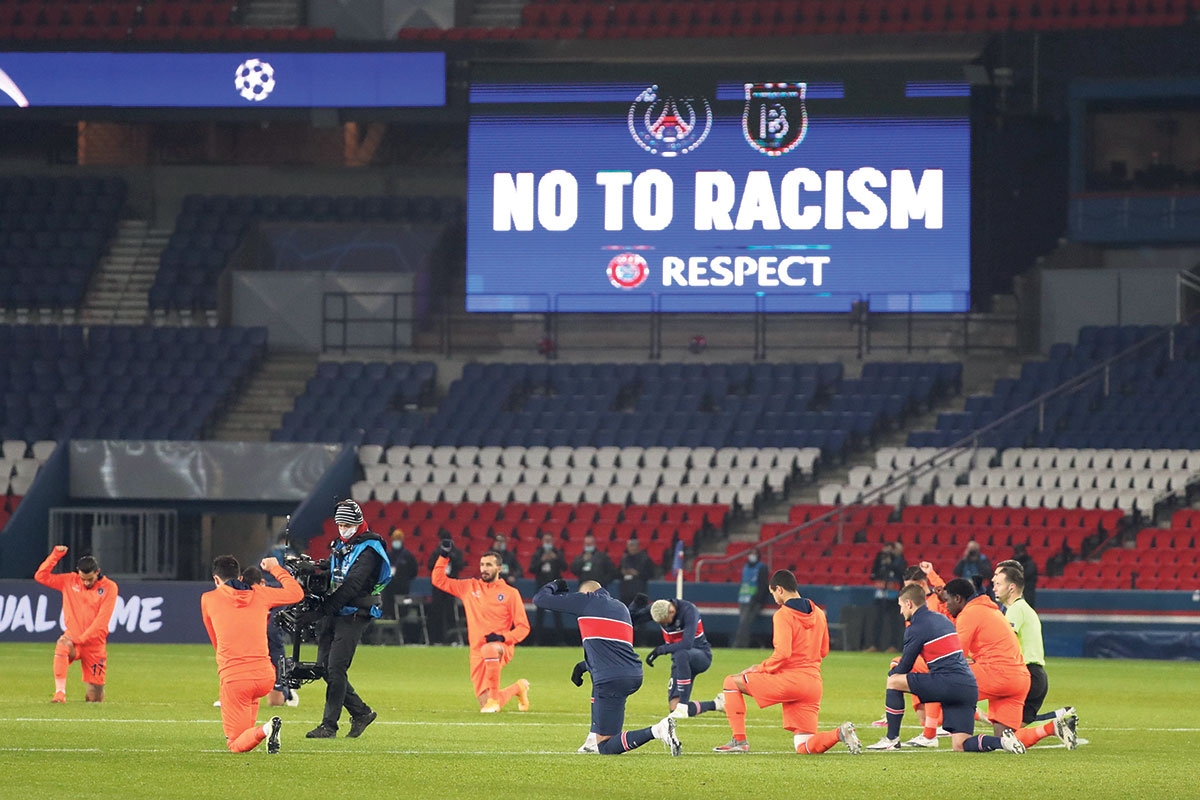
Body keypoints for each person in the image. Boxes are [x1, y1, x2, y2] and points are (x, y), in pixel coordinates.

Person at [712, 569, 861, 756]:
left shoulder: (783, 615)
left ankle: (739, 740)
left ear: (780, 589)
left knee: (731, 682)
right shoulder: (819, 614)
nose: (774, 598)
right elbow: (824, 651)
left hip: (790, 682)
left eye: (773, 593)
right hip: (813, 685)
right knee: (804, 746)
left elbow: (783, 653)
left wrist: (759, 668)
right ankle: (839, 733)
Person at [531, 578, 682, 757]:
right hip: (632, 674)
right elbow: (612, 647)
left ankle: (658, 730)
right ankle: (591, 741)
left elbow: (539, 599)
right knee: (609, 728)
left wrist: (555, 584)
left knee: (607, 747)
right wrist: (584, 666)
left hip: (611, 678)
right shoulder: (620, 607)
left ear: (586, 592)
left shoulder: (587, 600)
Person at [866, 584, 1024, 754]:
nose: (900, 611)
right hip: (968, 686)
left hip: (948, 683)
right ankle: (1003, 742)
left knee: (894, 681)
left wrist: (893, 671)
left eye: (901, 606)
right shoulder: (943, 619)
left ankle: (891, 739)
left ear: (909, 604)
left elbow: (905, 666)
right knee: (960, 744)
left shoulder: (916, 628)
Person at [941, 577, 1072, 752]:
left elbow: (955, 655)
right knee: (1003, 738)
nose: (945, 605)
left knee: (947, 686)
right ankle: (1050, 727)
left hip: (997, 672)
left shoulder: (975, 613)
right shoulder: (991, 610)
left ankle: (929, 734)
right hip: (1020, 678)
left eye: (947, 600)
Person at [305, 499, 391, 740]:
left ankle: (329, 726)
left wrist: (325, 608)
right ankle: (361, 712)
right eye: (339, 524)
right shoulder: (341, 545)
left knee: (335, 668)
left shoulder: (369, 548)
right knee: (324, 668)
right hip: (336, 610)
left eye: (347, 524)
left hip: (354, 612)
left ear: (358, 523)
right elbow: (337, 572)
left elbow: (354, 583)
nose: (343, 528)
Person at [201, 555, 303, 753]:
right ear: (239, 577)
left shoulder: (208, 599)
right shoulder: (260, 594)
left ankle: (267, 728)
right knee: (246, 732)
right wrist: (275, 568)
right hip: (264, 677)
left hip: (236, 679)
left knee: (235, 744)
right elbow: (296, 594)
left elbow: (215, 639)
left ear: (215, 580)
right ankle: (260, 732)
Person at [431, 539, 531, 712]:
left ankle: (494, 698)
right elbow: (439, 580)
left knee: (490, 650)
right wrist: (444, 556)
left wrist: (503, 637)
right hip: (476, 651)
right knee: (485, 707)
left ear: (499, 568)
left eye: (489, 565)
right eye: (482, 564)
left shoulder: (510, 593)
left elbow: (524, 627)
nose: (484, 568)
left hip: (501, 647)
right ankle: (518, 688)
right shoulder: (469, 587)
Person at [993, 562, 1078, 749]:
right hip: (1037, 675)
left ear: (1011, 587)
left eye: (998, 583)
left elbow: (1005, 643)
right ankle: (1059, 720)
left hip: (1025, 676)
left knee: (1003, 735)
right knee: (1013, 734)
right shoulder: (1024, 608)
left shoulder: (1016, 610)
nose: (994, 588)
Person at [34, 546, 119, 703]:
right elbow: (41, 576)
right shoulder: (69, 581)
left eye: (90, 579)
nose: (86, 582)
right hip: (73, 638)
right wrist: (55, 555)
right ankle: (60, 693)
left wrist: (81, 639)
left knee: (95, 696)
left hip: (94, 644)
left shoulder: (109, 588)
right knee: (62, 643)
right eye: (83, 579)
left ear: (97, 572)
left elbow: (101, 621)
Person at [629, 595, 715, 719]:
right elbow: (631, 621)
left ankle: (683, 705)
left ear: (672, 611)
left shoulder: (688, 610)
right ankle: (717, 704)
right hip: (680, 662)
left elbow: (687, 644)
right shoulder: (658, 608)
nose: (665, 625)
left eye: (664, 622)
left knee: (681, 653)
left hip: (700, 655)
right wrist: (635, 606)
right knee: (674, 709)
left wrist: (660, 650)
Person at [239, 566, 299, 709]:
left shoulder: (274, 595)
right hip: (251, 649)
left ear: (263, 583)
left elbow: (273, 630)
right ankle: (231, 693)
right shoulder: (242, 595)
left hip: (272, 648)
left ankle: (287, 689)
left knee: (275, 702)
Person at [528, 532, 569, 645]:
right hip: (542, 588)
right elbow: (532, 569)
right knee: (539, 615)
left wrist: (556, 559)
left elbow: (565, 567)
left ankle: (560, 641)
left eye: (549, 541)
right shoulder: (538, 554)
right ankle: (537, 641)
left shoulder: (557, 552)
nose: (547, 543)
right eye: (546, 541)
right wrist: (541, 560)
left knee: (557, 614)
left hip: (555, 587)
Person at [867, 541, 906, 652]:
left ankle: (894, 645)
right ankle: (874, 644)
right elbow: (874, 573)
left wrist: (890, 563)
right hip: (880, 594)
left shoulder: (900, 560)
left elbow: (901, 574)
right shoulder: (880, 559)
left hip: (894, 595)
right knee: (877, 620)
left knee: (894, 622)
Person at [426, 535, 465, 643]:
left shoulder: (457, 553)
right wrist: (442, 556)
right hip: (438, 587)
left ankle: (451, 639)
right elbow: (430, 566)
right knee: (436, 613)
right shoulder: (436, 553)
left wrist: (451, 557)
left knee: (450, 613)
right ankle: (436, 638)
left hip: (451, 586)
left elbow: (461, 565)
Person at [732, 549, 770, 648]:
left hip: (753, 600)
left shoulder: (761, 568)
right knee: (743, 623)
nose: (752, 556)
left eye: (754, 554)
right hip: (743, 598)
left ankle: (740, 644)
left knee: (744, 623)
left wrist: (757, 600)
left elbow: (762, 585)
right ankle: (740, 643)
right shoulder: (746, 567)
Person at [381, 528, 418, 619]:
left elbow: (414, 571)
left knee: (403, 606)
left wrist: (404, 578)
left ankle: (402, 618)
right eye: (395, 539)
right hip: (390, 587)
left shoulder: (407, 556)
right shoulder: (388, 555)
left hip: (403, 586)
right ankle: (388, 617)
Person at [617, 538, 656, 605]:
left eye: (632, 545)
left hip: (638, 588)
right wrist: (623, 572)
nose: (631, 548)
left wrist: (637, 573)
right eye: (629, 546)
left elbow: (651, 574)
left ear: (638, 547)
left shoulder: (645, 559)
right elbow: (618, 572)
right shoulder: (625, 558)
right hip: (625, 589)